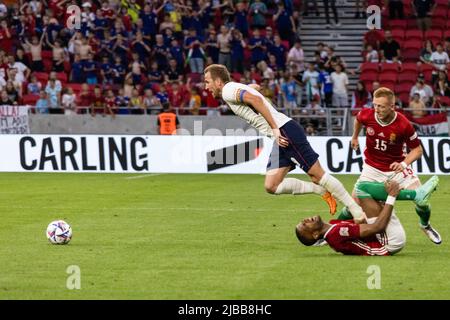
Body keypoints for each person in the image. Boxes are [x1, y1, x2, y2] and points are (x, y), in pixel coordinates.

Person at [204, 64, 367, 221]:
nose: (206, 87)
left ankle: (357, 212)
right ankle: (321, 190)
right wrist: (252, 88)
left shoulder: (227, 91)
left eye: (208, 82)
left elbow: (256, 100)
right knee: (271, 185)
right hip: (280, 138)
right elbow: (255, 90)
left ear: (218, 82)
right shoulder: (233, 87)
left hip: (284, 132)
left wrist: (274, 128)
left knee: (318, 175)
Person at [351, 87, 441, 244]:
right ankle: (336, 232)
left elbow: (418, 150)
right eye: (375, 105)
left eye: (381, 106)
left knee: (422, 200)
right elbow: (358, 119)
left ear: (392, 106)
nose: (376, 110)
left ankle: (425, 225)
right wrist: (355, 137)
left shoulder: (403, 124)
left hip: (397, 169)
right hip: (371, 168)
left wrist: (404, 164)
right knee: (354, 204)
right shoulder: (367, 114)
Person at [296, 177, 439, 255]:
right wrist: (391, 197)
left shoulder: (333, 227)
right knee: (362, 189)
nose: (305, 220)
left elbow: (348, 217)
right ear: (315, 235)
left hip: (385, 237)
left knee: (368, 192)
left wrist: (353, 208)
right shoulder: (336, 234)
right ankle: (416, 195)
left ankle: (412, 192)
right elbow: (377, 227)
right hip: (388, 243)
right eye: (304, 225)